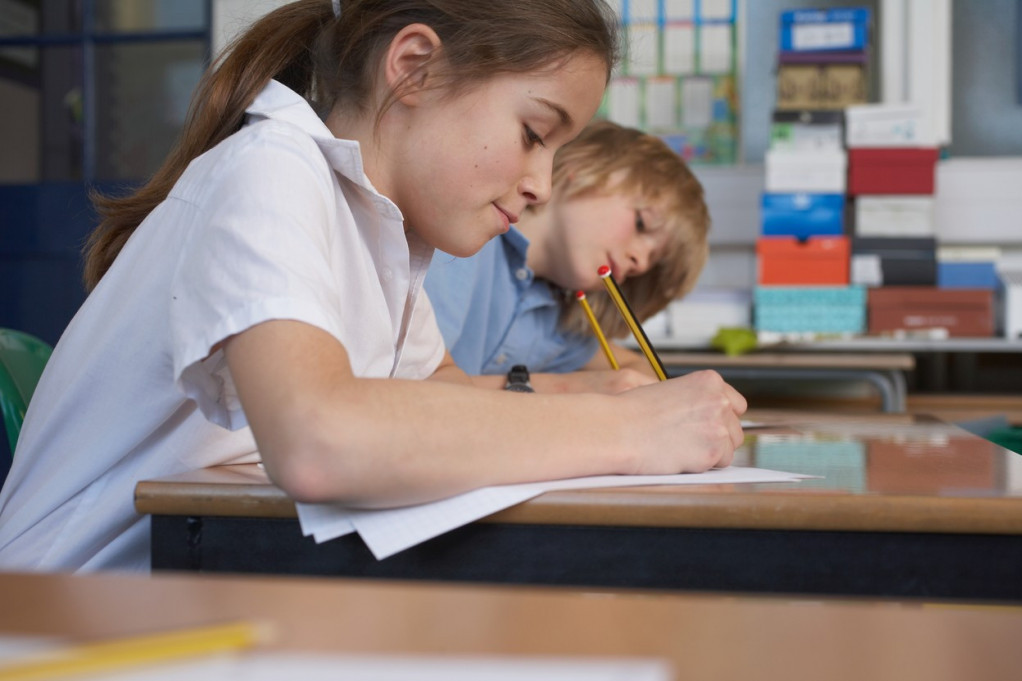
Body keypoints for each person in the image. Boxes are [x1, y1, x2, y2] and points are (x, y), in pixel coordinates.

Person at [0, 0, 746, 573]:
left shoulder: (382, 233)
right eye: (533, 134)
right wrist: (633, 433)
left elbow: (441, 388)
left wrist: (597, 395)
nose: (540, 184)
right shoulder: (271, 170)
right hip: (69, 614)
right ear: (415, 68)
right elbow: (320, 438)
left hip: (210, 590)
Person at [425, 120, 708, 394]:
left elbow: (633, 367)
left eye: (652, 262)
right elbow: (413, 387)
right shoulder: (459, 241)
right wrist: (569, 388)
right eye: (641, 224)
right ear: (585, 166)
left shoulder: (556, 320)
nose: (641, 262)